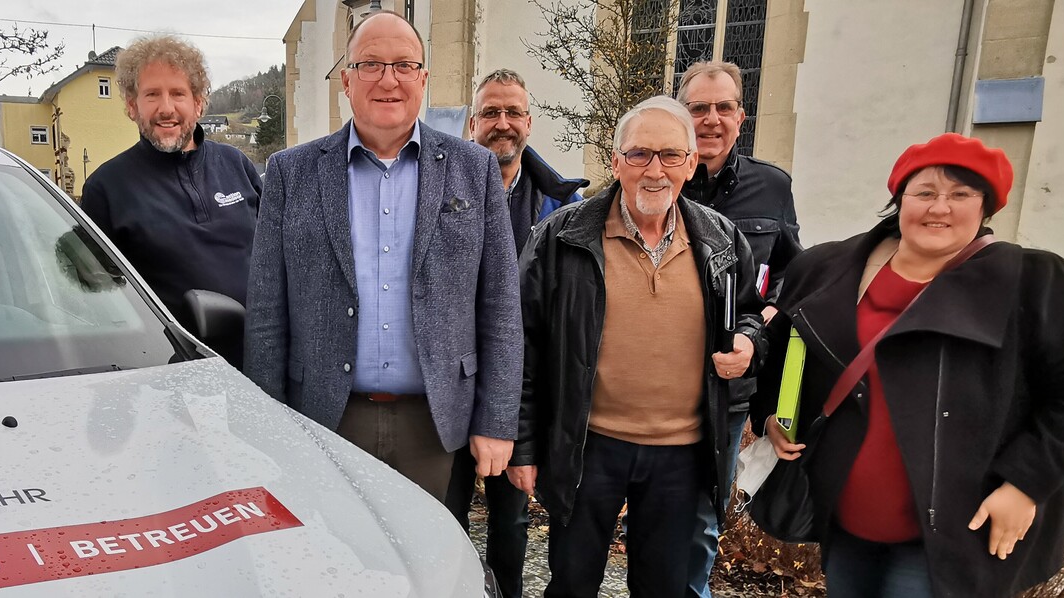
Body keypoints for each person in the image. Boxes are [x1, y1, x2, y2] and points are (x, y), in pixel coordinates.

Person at [752, 133, 1064, 597]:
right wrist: (771, 414)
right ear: (899, 200)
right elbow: (783, 352)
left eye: (960, 194)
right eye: (924, 192)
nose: (939, 208)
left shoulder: (1034, 283)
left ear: (986, 207)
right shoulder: (828, 267)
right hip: (846, 518)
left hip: (956, 527)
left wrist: (1025, 484)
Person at [244, 10, 522, 502]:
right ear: (346, 80)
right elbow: (267, 311)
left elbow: (500, 305)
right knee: (332, 563)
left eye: (403, 65)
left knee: (432, 569)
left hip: (435, 424)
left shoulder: (473, 169)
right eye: (371, 64)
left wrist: (498, 419)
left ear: (423, 78)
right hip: (325, 416)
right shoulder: (291, 173)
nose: (388, 79)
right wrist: (268, 422)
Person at [508, 96, 768, 598]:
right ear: (615, 160)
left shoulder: (721, 239)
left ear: (691, 164)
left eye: (671, 155)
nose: (655, 170)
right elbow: (522, 346)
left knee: (664, 588)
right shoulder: (562, 237)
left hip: (680, 455)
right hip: (589, 447)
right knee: (572, 583)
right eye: (639, 154)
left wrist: (749, 342)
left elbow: (753, 313)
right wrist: (523, 446)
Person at [445, 67, 587, 597]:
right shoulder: (441, 193)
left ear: (528, 122)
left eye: (512, 113)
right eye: (490, 113)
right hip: (452, 382)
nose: (501, 124)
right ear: (472, 124)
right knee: (448, 510)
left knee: (511, 518)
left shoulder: (563, 206)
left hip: (522, 392)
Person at [672, 60, 803, 597]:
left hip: (728, 388)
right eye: (698, 108)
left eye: (723, 107)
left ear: (741, 117)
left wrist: (763, 322)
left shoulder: (772, 188)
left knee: (703, 518)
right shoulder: (656, 175)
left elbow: (793, 279)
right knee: (649, 512)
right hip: (658, 384)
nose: (710, 119)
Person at [81, 35, 261, 367]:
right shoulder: (106, 189)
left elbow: (277, 260)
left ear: (199, 102)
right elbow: (95, 301)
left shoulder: (237, 166)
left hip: (259, 368)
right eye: (152, 94)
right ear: (132, 105)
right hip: (170, 375)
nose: (166, 108)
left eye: (178, 93)